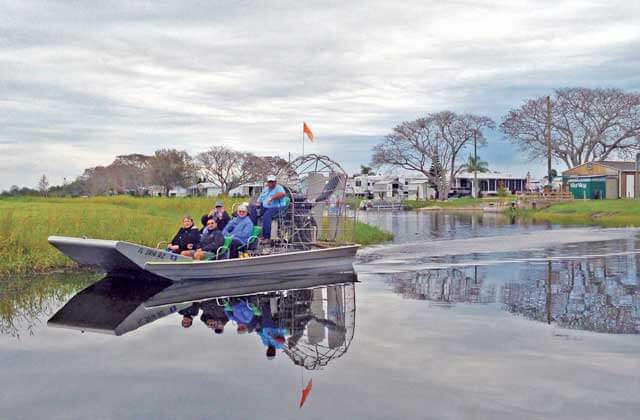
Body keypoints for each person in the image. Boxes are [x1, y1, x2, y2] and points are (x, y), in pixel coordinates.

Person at [253, 175, 287, 243]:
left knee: (266, 216)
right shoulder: (265, 189)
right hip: (265, 207)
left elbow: (282, 194)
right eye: (269, 181)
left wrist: (272, 198)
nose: (271, 183)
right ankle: (254, 234)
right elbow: (260, 198)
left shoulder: (278, 188)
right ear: (267, 182)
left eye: (272, 181)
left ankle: (266, 237)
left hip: (277, 207)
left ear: (275, 182)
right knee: (252, 210)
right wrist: (258, 203)